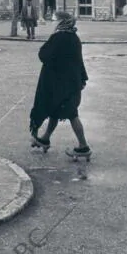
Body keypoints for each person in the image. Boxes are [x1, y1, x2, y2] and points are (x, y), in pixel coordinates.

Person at [29, 11, 91, 157]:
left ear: (61, 22)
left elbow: (43, 55)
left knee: (72, 114)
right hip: (71, 83)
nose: (52, 22)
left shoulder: (58, 37)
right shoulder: (74, 37)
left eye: (54, 20)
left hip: (62, 85)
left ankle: (83, 146)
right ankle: (45, 139)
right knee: (55, 112)